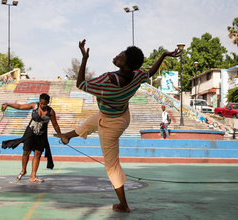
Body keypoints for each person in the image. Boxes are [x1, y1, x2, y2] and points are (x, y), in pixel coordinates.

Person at [54, 39, 181, 213]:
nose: (117, 56)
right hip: (122, 116)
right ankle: (68, 135)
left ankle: (124, 205)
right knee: (91, 122)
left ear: (127, 65)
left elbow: (81, 84)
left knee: (112, 166)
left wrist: (84, 58)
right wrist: (164, 55)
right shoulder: (137, 75)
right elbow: (151, 72)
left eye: (121, 57)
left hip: (111, 124)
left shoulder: (107, 80)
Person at [1, 93, 62, 182]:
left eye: (45, 104)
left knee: (37, 154)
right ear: (39, 101)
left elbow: (55, 125)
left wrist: (60, 135)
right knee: (26, 152)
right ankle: (23, 170)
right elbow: (20, 106)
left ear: (48, 102)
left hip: (41, 134)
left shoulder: (51, 112)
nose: (43, 105)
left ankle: (33, 175)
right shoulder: (34, 106)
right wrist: (8, 104)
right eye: (41, 103)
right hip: (30, 132)